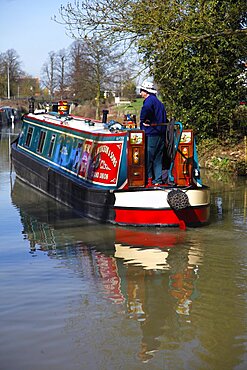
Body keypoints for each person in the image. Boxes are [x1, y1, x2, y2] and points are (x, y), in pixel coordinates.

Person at [139, 80, 167, 185]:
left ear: (146, 91)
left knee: (148, 157)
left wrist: (143, 120)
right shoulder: (159, 102)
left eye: (142, 90)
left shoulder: (149, 101)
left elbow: (146, 110)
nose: (140, 93)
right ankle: (158, 180)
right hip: (161, 134)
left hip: (152, 133)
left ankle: (149, 179)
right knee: (158, 158)